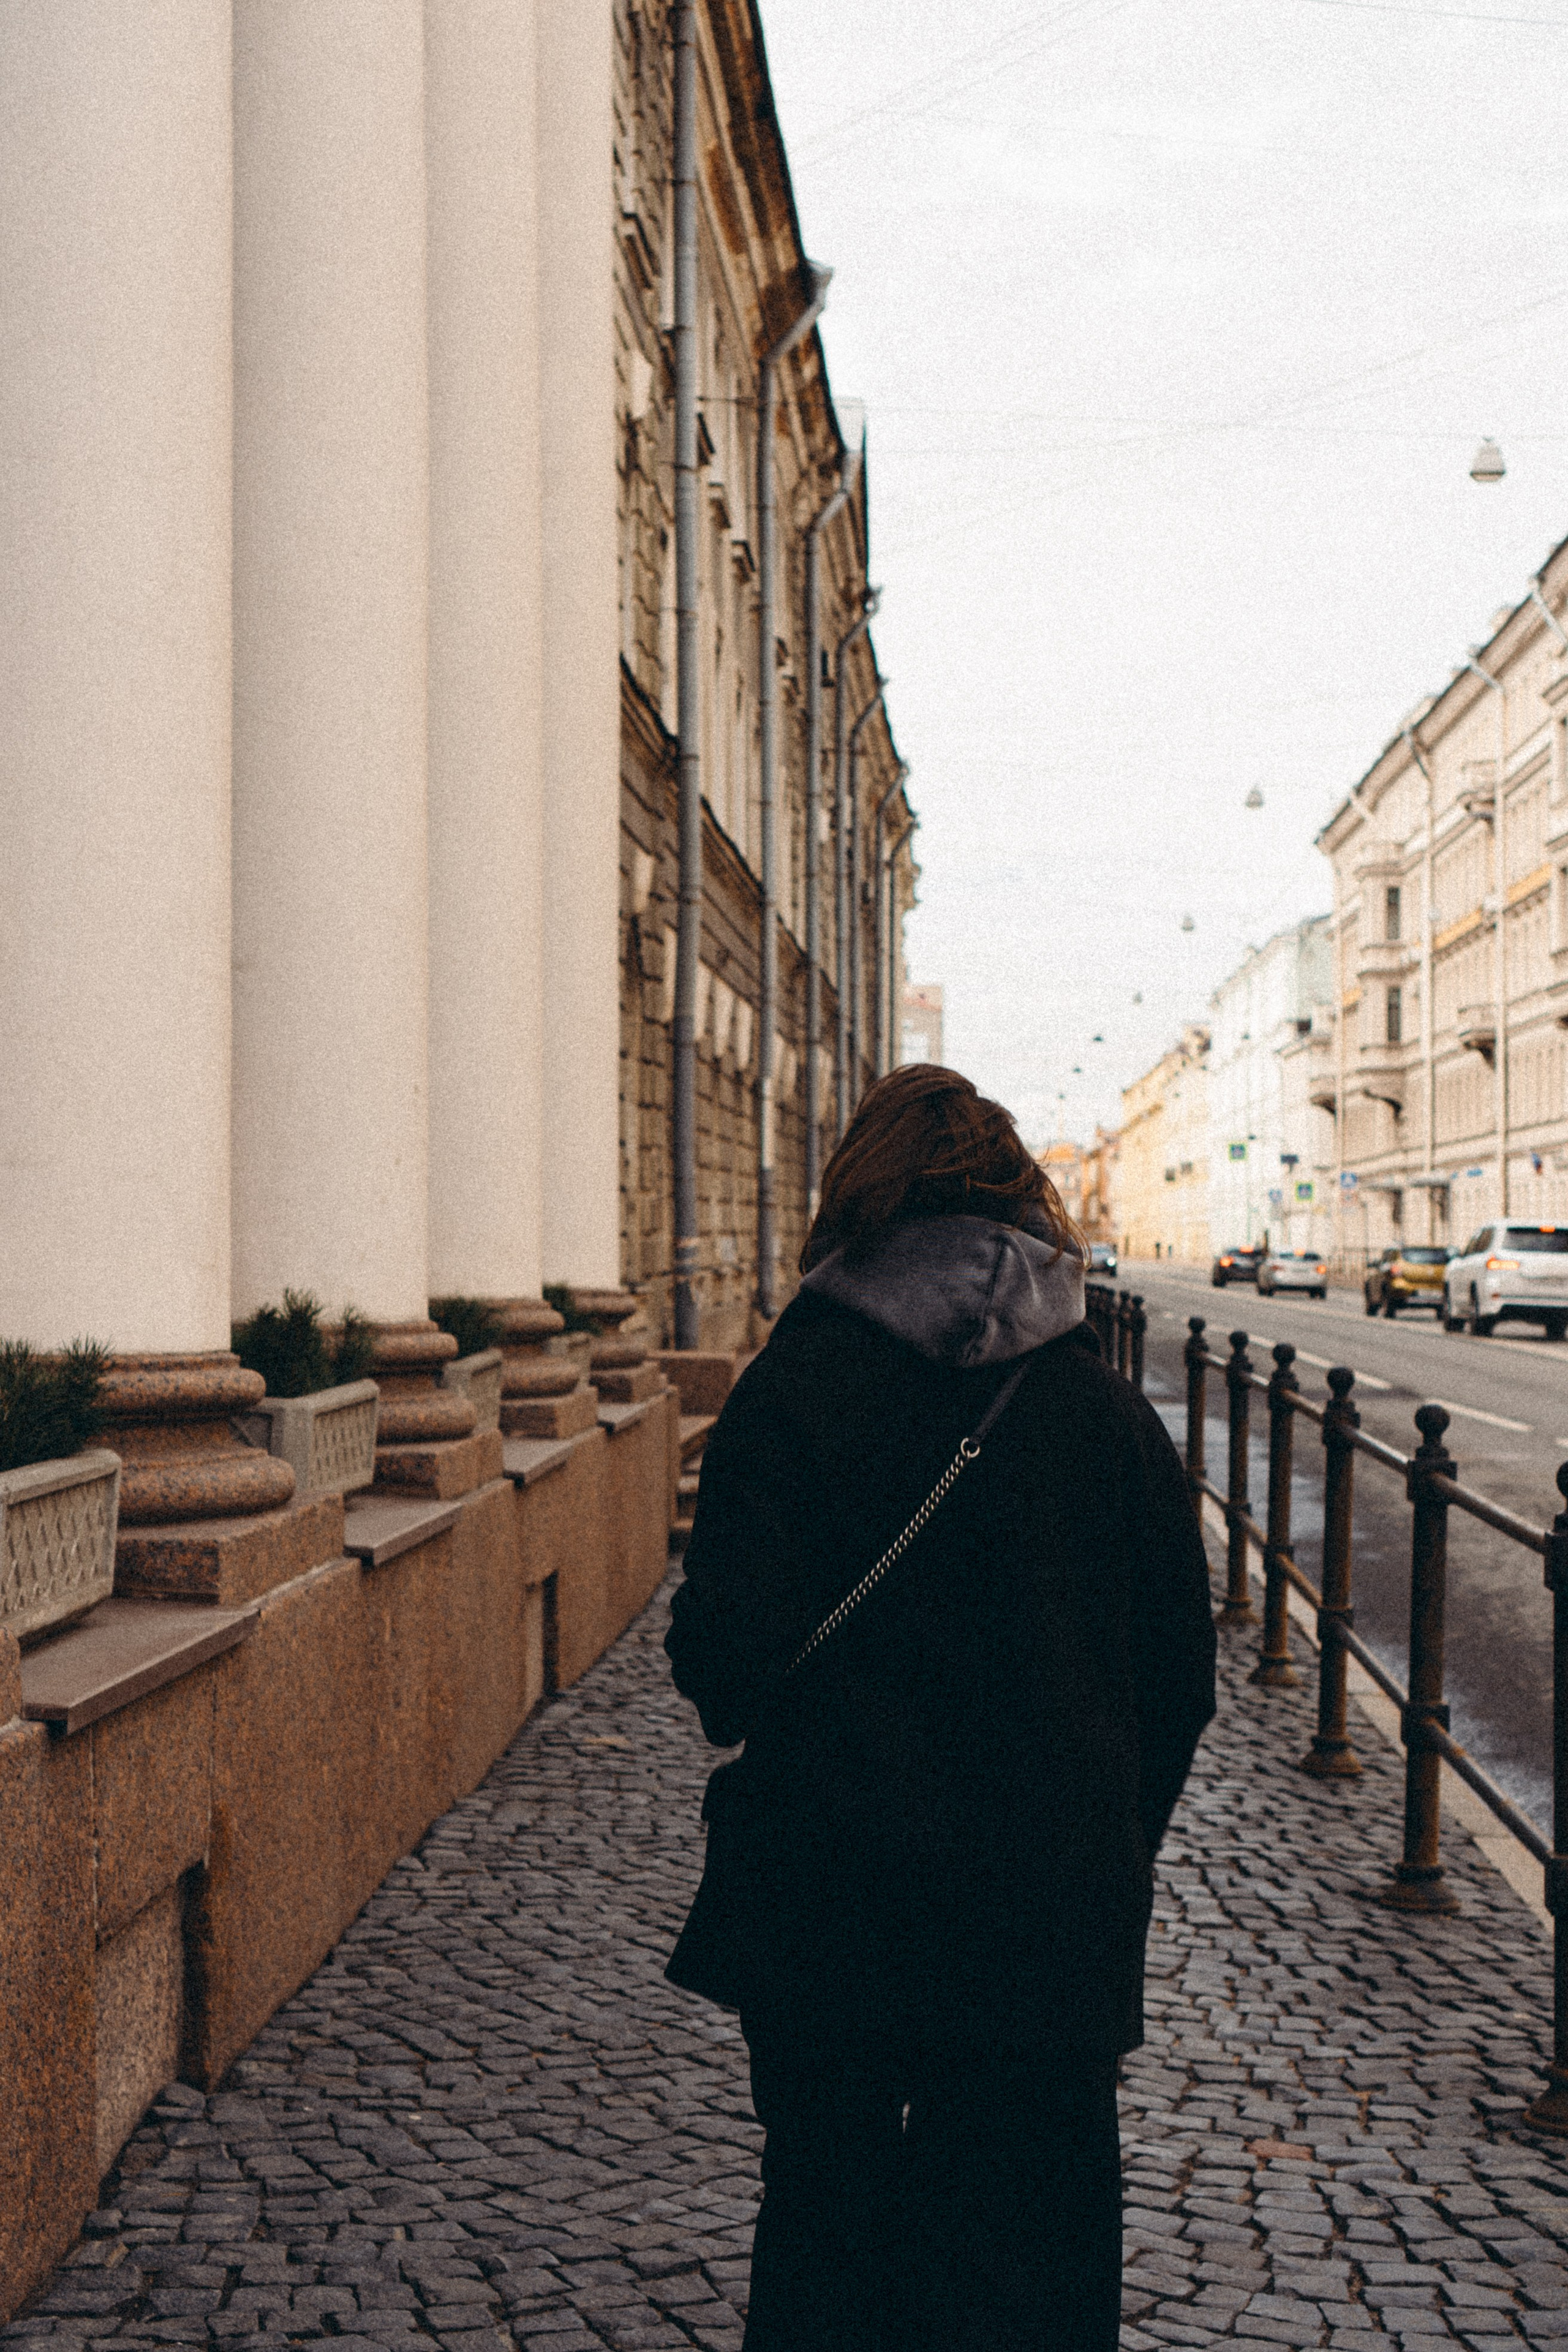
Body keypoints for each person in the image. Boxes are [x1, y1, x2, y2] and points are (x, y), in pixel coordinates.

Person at [663, 1064, 1216, 2351]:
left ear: (857, 1195)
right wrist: (1100, 1837)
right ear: (1024, 1213)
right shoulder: (1100, 1410)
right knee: (1037, 2234)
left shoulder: (789, 1388)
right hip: (1044, 1912)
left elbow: (721, 1668)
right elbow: (1178, 1685)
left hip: (827, 1898)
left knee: (823, 2213)